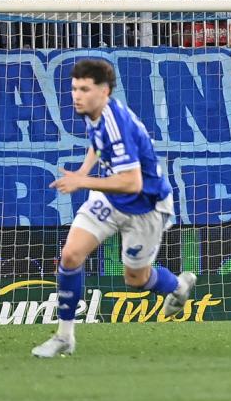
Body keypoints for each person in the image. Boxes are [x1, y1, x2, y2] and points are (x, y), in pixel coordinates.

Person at [34, 58, 194, 358]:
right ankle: (64, 336)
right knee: (70, 255)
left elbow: (132, 183)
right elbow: (98, 143)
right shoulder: (93, 112)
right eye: (73, 88)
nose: (76, 95)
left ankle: (177, 285)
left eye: (84, 89)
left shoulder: (116, 125)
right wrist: (83, 172)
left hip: (145, 206)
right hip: (109, 198)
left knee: (136, 280)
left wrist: (83, 182)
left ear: (104, 91)